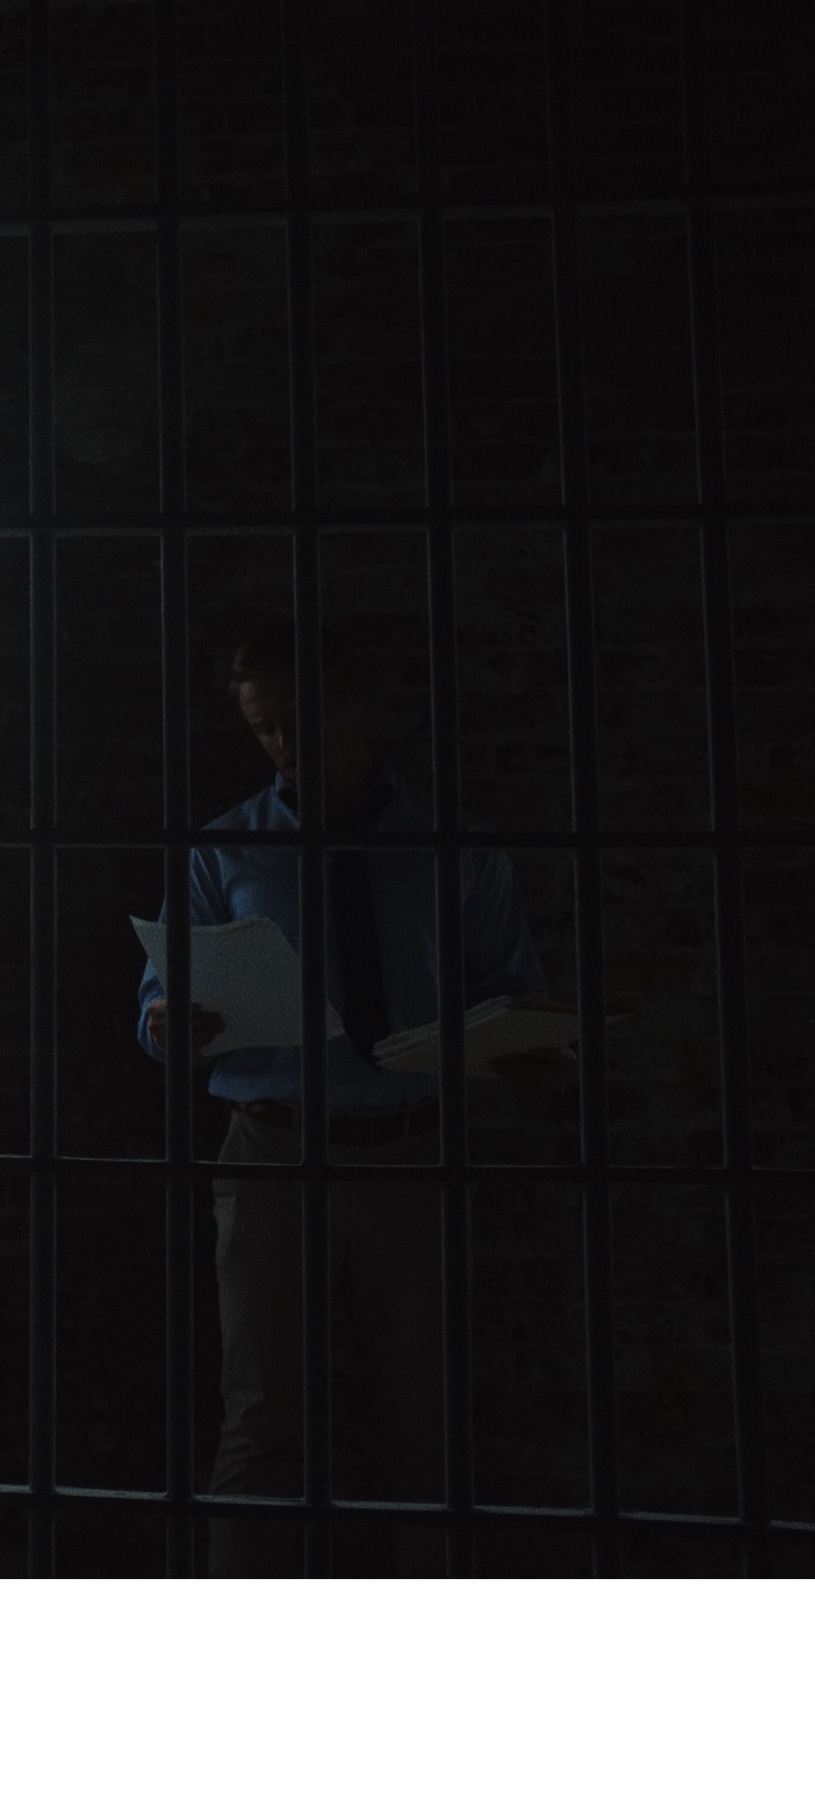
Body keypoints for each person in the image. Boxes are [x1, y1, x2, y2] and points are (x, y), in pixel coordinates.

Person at [138, 624, 555, 1575]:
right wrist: (166, 1022)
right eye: (266, 729)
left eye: (304, 718)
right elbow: (159, 999)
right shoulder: (219, 852)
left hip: (414, 1150)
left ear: (356, 705)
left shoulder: (452, 847)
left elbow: (514, 989)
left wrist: (523, 1046)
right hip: (272, 1151)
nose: (287, 744)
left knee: (425, 1419)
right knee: (262, 1416)